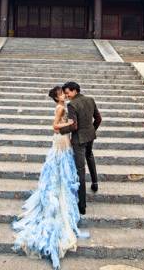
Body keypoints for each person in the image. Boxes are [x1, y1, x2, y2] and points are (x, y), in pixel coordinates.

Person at [13, 86, 88, 269]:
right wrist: (69, 125)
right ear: (57, 97)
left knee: (63, 169)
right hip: (61, 140)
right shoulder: (60, 108)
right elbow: (54, 126)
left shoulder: (64, 107)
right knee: (60, 168)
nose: (64, 95)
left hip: (64, 139)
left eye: (64, 92)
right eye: (61, 93)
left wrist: (69, 124)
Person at [55, 81, 101, 215]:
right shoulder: (90, 99)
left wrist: (61, 131)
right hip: (90, 136)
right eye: (65, 93)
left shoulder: (72, 105)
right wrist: (91, 131)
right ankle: (95, 183)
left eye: (67, 92)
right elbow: (98, 119)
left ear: (75, 90)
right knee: (90, 156)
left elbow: (74, 126)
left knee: (80, 170)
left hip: (78, 140)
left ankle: (82, 205)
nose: (66, 95)